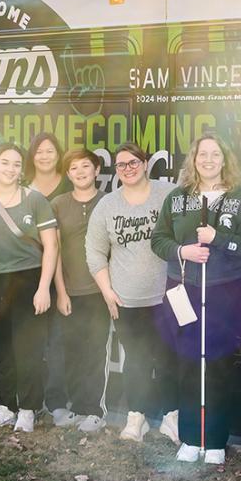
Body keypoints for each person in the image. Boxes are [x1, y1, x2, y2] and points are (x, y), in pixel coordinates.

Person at [151, 134, 241, 465]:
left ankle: (214, 440)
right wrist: (183, 250)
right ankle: (189, 437)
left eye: (215, 154)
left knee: (218, 365)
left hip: (224, 290)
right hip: (185, 288)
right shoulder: (177, 198)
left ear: (225, 159)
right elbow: (158, 240)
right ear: (193, 160)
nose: (208, 160)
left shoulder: (240, 199)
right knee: (187, 363)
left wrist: (218, 239)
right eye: (202, 154)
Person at [85, 142, 179, 443]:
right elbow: (95, 251)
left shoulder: (168, 194)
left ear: (146, 162)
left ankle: (171, 417)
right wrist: (107, 292)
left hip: (167, 297)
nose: (128, 168)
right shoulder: (108, 205)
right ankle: (136, 417)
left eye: (133, 162)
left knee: (168, 359)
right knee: (136, 360)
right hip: (126, 299)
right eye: (122, 164)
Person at [0, 143, 59, 433]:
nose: (11, 169)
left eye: (17, 164)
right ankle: (7, 406)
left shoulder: (36, 200)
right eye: (5, 162)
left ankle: (29, 409)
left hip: (29, 280)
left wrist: (44, 288)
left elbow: (52, 246)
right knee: (3, 349)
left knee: (29, 350)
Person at [47, 149, 109, 431]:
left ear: (97, 170)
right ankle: (74, 407)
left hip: (100, 292)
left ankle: (93, 410)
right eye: (74, 168)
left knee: (96, 351)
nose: (81, 171)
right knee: (70, 351)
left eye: (86, 166)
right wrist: (60, 292)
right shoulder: (58, 204)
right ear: (67, 174)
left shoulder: (109, 202)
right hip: (69, 291)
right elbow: (54, 250)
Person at [27, 131, 72, 201]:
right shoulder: (23, 186)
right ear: (32, 156)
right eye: (39, 152)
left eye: (49, 151)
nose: (44, 157)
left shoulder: (70, 184)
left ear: (58, 155)